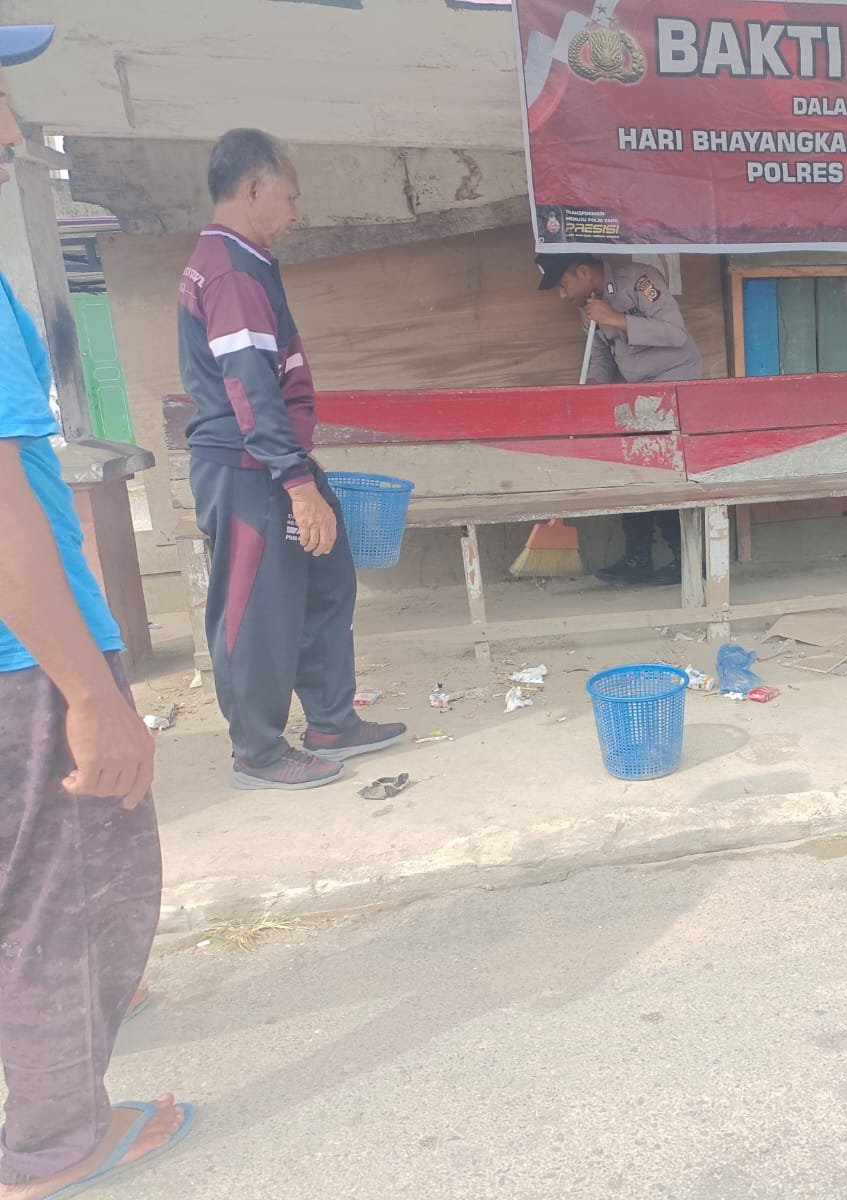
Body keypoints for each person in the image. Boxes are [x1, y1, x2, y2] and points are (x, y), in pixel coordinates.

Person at [0, 23, 196, 1198]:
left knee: (35, 888)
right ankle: (57, 1135)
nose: (11, 128)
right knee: (71, 894)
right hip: (26, 661)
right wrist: (86, 693)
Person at [180, 129, 405, 790]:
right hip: (250, 469)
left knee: (327, 581)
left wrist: (303, 478)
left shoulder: (246, 260)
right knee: (255, 609)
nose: (295, 213)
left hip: (277, 461)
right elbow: (249, 383)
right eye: (290, 196)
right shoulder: (228, 268)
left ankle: (333, 719)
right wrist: (296, 482)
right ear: (253, 189)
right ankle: (257, 748)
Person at [538, 253, 703, 587]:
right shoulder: (588, 307)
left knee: (665, 474)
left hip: (676, 388)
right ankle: (637, 557)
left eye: (563, 283)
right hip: (638, 396)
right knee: (633, 472)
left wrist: (616, 318)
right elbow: (598, 353)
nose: (562, 294)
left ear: (583, 271)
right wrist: (591, 389)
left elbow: (676, 334)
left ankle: (685, 558)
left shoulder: (640, 281)